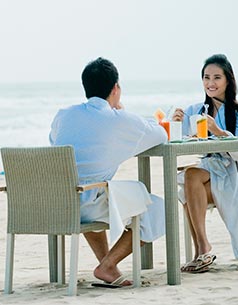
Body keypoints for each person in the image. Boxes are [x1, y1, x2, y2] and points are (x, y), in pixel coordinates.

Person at [49, 57, 167, 287]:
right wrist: (121, 110)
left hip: (61, 202)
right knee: (160, 209)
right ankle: (107, 265)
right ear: (116, 88)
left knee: (93, 189)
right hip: (88, 202)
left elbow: (54, 142)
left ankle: (107, 266)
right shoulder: (119, 119)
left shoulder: (64, 115)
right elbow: (160, 136)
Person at [171, 54, 238, 273]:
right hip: (209, 170)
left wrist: (219, 133)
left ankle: (201, 250)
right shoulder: (195, 110)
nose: (210, 83)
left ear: (228, 80)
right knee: (192, 176)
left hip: (234, 175)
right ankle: (203, 247)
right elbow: (178, 138)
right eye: (206, 77)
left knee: (190, 184)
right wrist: (174, 122)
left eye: (217, 77)